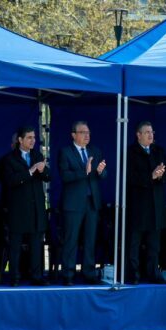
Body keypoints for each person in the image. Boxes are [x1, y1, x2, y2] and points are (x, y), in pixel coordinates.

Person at [0, 126, 50, 286]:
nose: (33, 140)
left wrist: (43, 170)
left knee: (36, 245)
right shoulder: (9, 159)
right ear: (20, 140)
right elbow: (10, 181)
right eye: (29, 137)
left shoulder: (37, 155)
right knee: (15, 246)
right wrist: (30, 171)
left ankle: (37, 276)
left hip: (36, 209)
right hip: (18, 210)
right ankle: (15, 277)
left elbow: (48, 177)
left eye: (34, 137)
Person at [58, 121, 107, 285]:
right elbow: (65, 176)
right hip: (73, 204)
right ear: (73, 135)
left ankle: (89, 273)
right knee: (71, 240)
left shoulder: (95, 151)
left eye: (88, 133)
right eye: (83, 132)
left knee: (90, 240)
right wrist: (84, 171)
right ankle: (68, 274)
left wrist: (100, 171)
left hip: (92, 202)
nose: (87, 135)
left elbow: (103, 174)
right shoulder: (65, 152)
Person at [126, 121, 166, 284]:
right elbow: (130, 177)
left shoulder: (159, 151)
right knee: (134, 243)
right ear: (138, 135)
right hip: (138, 205)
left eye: (152, 132)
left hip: (156, 205)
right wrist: (151, 176)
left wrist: (160, 175)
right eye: (147, 132)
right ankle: (133, 274)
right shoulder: (130, 152)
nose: (151, 135)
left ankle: (154, 273)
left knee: (154, 244)